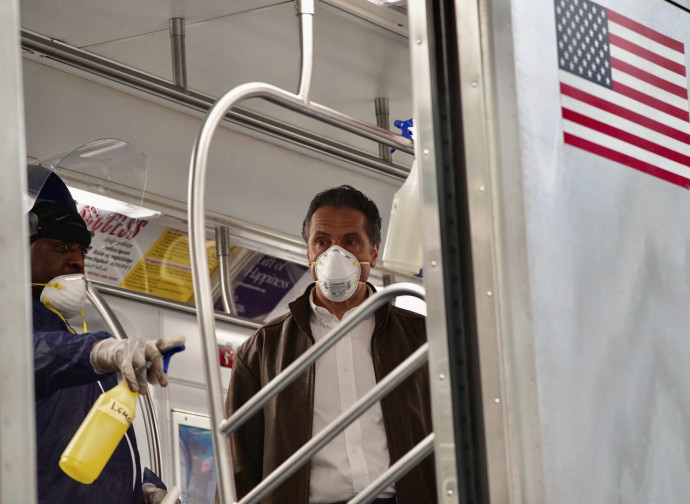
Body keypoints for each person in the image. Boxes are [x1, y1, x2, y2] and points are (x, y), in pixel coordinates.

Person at [226, 185, 436, 504]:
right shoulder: (262, 350)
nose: (334, 254)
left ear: (373, 253)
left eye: (350, 241)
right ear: (309, 253)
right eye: (322, 242)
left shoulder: (421, 338)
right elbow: (239, 466)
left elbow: (460, 440)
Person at [28, 169, 183, 504]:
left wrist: (143, 488)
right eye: (62, 245)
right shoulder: (33, 333)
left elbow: (89, 443)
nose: (77, 261)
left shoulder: (67, 337)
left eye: (83, 251)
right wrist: (96, 352)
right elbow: (21, 359)